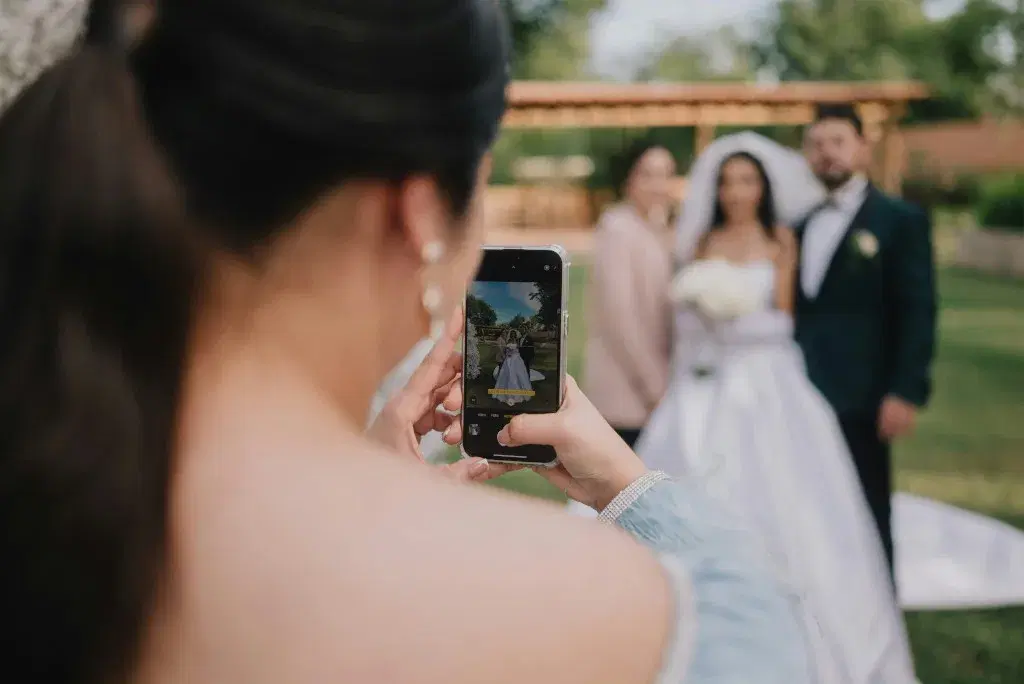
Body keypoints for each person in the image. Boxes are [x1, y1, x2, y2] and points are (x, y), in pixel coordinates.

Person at [0, 1, 813, 683]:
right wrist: (634, 494)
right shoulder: (626, 618)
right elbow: (752, 638)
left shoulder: (44, 514)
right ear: (421, 210)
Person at [573, 148, 918, 682]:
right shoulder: (700, 242)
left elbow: (783, 320)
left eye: (747, 181)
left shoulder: (782, 240)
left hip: (768, 389)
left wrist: (736, 318)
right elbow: (680, 326)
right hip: (701, 390)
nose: (737, 192)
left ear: (762, 187)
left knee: (790, 505)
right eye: (728, 182)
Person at [795, 104, 937, 578]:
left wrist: (905, 390)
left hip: (866, 394)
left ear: (862, 146)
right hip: (800, 392)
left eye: (837, 142)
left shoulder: (900, 220)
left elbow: (918, 308)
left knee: (868, 503)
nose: (827, 154)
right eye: (816, 145)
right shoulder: (799, 224)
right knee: (811, 502)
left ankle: (880, 605)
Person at [585, 139, 676, 447]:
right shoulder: (617, 228)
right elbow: (620, 318)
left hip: (655, 385)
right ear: (629, 179)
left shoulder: (654, 228)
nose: (658, 185)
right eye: (647, 174)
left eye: (665, 174)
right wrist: (655, 388)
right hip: (626, 390)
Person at [493, 329, 532, 405]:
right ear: (510, 334)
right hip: (508, 359)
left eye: (514, 334)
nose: (513, 335)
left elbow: (518, 349)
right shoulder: (509, 340)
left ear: (515, 334)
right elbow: (506, 350)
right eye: (512, 333)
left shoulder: (517, 340)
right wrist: (508, 352)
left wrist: (513, 352)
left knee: (519, 375)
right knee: (506, 375)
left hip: (516, 359)